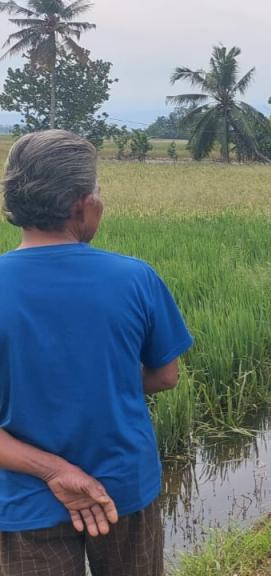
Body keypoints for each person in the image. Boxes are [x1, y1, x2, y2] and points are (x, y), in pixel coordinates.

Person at [0, 130, 193, 576]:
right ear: (80, 205)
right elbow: (166, 376)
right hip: (121, 489)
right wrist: (101, 377)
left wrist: (52, 472)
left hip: (26, 500)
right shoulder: (134, 278)